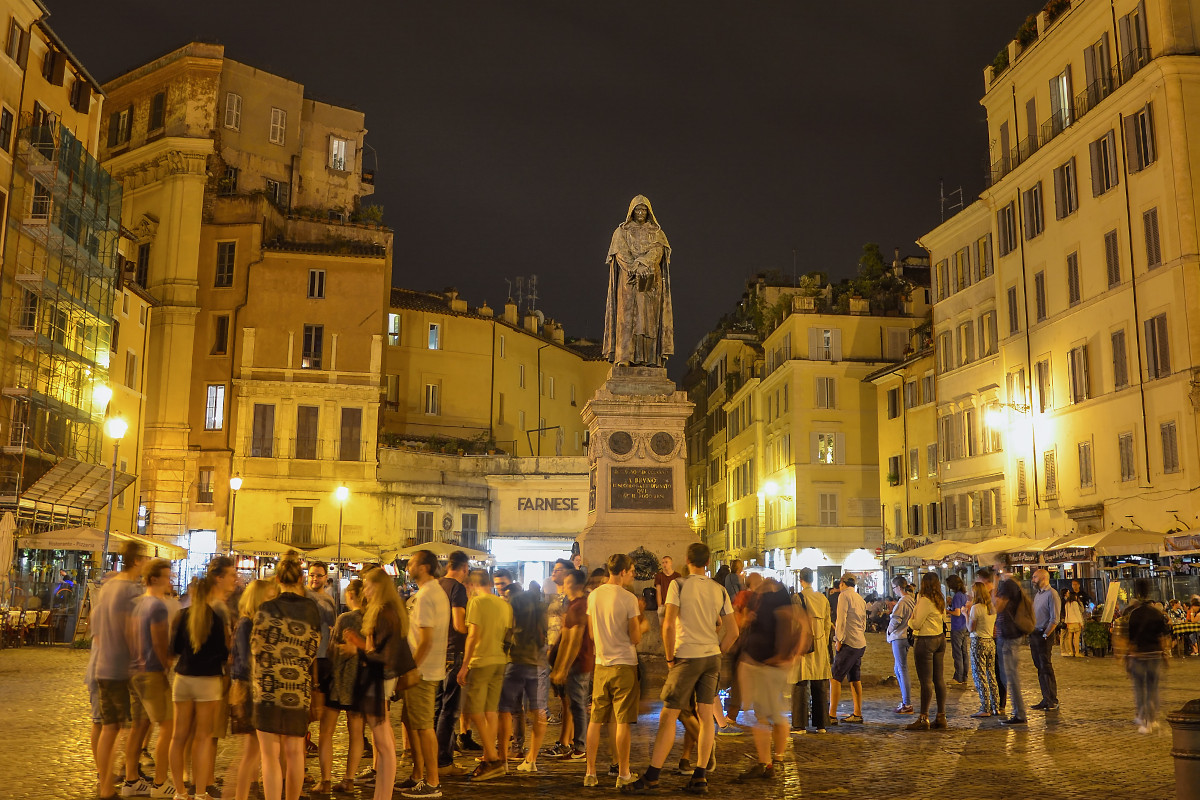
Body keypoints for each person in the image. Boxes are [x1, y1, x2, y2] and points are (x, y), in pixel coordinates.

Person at [622, 543, 735, 794]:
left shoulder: (679, 585)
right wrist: (719, 650)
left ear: (687, 560)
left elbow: (669, 624)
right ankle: (700, 776)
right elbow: (733, 630)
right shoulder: (719, 589)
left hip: (687, 656)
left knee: (668, 715)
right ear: (708, 562)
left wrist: (670, 657)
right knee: (706, 717)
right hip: (711, 657)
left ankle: (652, 776)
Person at [341, 566, 413, 800]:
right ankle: (382, 794)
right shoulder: (387, 611)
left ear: (379, 587)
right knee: (384, 738)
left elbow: (383, 655)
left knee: (383, 741)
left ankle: (384, 794)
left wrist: (358, 645)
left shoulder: (384, 612)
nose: (365, 590)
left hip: (379, 679)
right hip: (380, 679)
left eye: (369, 586)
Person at [251, 558, 320, 800]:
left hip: (268, 687)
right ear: (301, 579)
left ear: (278, 580)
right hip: (298, 687)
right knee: (294, 753)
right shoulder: (311, 609)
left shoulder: (266, 609)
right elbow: (314, 648)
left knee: (269, 755)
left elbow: (256, 648)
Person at [171, 556, 236, 800]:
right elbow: (223, 652)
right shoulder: (216, 617)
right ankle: (199, 792)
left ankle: (179, 791)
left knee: (179, 737)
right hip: (208, 681)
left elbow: (175, 648)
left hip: (183, 678)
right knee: (202, 737)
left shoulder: (183, 615)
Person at [92, 541, 148, 800]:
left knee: (109, 727)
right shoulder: (131, 589)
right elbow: (131, 627)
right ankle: (113, 785)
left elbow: (98, 626)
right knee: (120, 728)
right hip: (120, 667)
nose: (147, 562)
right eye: (144, 558)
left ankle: (105, 784)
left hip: (103, 663)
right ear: (136, 561)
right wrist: (138, 658)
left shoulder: (109, 586)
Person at [735, 576, 805, 783]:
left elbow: (803, 624)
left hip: (767, 663)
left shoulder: (768, 600)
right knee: (773, 712)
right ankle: (776, 759)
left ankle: (766, 763)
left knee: (764, 716)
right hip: (772, 663)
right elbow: (803, 624)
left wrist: (793, 654)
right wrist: (795, 654)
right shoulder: (781, 598)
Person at [584, 554, 643, 789]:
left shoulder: (594, 596)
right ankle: (624, 773)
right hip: (625, 664)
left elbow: (590, 634)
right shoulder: (629, 599)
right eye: (632, 571)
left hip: (601, 663)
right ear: (623, 572)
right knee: (622, 722)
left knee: (596, 720)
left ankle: (590, 773)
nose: (633, 575)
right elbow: (635, 637)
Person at [399, 550, 450, 798]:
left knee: (423, 726)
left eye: (412, 563)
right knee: (412, 723)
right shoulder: (429, 592)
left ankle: (432, 781)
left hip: (422, 672)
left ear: (425, 566)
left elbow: (426, 639)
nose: (408, 566)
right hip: (424, 669)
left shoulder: (429, 594)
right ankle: (418, 774)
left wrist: (411, 668)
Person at [603, 195, 674, 366]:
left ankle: (649, 358)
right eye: (638, 209)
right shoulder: (621, 232)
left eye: (644, 210)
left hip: (650, 283)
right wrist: (634, 267)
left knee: (647, 320)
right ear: (632, 211)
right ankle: (624, 357)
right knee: (626, 319)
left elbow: (658, 251)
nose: (641, 213)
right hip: (628, 282)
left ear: (649, 212)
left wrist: (643, 264)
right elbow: (619, 251)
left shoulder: (657, 233)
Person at [457, 569, 513, 782]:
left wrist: (464, 665)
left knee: (474, 710)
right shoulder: (504, 605)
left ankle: (492, 758)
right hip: (499, 660)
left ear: (471, 585)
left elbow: (473, 636)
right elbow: (507, 633)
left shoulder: (477, 603)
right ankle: (495, 756)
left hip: (481, 660)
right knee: (490, 710)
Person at [129, 558, 175, 799]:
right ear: (155, 579)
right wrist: (166, 662)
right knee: (168, 726)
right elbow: (159, 640)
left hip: (135, 670)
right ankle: (159, 782)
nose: (171, 580)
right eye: (168, 576)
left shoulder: (138, 603)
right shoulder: (156, 606)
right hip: (152, 671)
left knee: (139, 727)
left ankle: (130, 779)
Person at [231, 579, 279, 800]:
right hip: (250, 687)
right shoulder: (247, 623)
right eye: (270, 597)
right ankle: (238, 795)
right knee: (252, 750)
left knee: (255, 750)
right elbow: (246, 659)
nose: (273, 601)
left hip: (255, 686)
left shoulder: (256, 622)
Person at [499, 574, 550, 772]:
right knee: (539, 711)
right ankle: (531, 759)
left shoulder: (514, 613)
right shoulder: (540, 614)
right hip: (537, 664)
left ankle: (502, 758)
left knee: (505, 710)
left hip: (515, 663)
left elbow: (507, 633)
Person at [324, 579, 366, 793]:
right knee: (356, 733)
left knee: (326, 732)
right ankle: (349, 780)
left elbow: (331, 650)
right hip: (360, 684)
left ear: (349, 595)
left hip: (339, 682)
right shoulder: (371, 620)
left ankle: (325, 781)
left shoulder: (345, 619)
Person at [550, 568, 593, 760]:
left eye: (567, 582)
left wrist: (563, 668)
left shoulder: (579, 606)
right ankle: (577, 745)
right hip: (574, 663)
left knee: (577, 704)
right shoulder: (573, 605)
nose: (564, 586)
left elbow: (574, 641)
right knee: (575, 703)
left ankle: (581, 747)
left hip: (579, 662)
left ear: (575, 585)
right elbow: (565, 638)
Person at [435, 551, 470, 775]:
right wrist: (476, 629)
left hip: (436, 651)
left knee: (437, 708)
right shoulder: (457, 589)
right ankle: (443, 762)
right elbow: (459, 624)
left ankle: (433, 759)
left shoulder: (437, 585)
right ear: (464, 568)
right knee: (449, 710)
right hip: (453, 652)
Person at [1121, 580, 1172, 733]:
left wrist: (1126, 657)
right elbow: (1163, 636)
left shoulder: (1133, 614)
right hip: (1155, 654)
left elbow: (1129, 639)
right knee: (1153, 688)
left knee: (1139, 688)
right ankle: (1153, 718)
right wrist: (1165, 655)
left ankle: (1143, 719)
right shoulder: (1157, 613)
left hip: (1138, 655)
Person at [789, 567, 831, 734]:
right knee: (819, 682)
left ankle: (800, 724)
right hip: (820, 643)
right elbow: (828, 623)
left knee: (800, 683)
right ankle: (821, 724)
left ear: (801, 580)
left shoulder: (797, 598)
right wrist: (822, 640)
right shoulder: (822, 598)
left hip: (803, 645)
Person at [905, 572, 948, 730]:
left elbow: (916, 624)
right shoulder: (939, 599)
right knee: (939, 679)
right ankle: (941, 716)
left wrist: (910, 618)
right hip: (940, 639)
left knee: (926, 681)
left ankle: (923, 718)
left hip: (926, 640)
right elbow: (943, 618)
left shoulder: (924, 600)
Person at [305, 563, 338, 759]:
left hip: (323, 657)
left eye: (318, 575)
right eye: (311, 575)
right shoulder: (304, 597)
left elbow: (332, 629)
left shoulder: (328, 600)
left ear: (326, 578)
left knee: (318, 708)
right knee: (307, 709)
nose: (314, 579)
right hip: (309, 658)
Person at [993, 560, 1030, 725]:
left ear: (1001, 565)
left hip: (1009, 636)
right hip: (1007, 635)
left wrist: (994, 584)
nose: (993, 567)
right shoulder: (1012, 583)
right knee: (1007, 675)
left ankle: (1019, 714)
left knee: (1010, 677)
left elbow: (997, 606)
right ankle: (1018, 712)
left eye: (995, 564)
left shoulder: (1008, 584)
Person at [828, 575, 867, 724]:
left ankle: (831, 715)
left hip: (848, 642)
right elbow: (864, 622)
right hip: (860, 642)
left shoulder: (844, 596)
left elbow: (841, 619)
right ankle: (857, 713)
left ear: (842, 583)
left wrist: (839, 640)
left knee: (835, 677)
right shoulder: (859, 598)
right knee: (855, 678)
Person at [1028, 568, 1060, 712]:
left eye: (1035, 577)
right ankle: (1046, 698)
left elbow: (1055, 619)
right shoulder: (1038, 595)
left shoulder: (1052, 594)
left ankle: (1052, 700)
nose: (1032, 580)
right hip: (1035, 633)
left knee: (1045, 666)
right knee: (1039, 667)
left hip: (1044, 634)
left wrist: (1046, 635)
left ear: (1043, 578)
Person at [967, 582, 1000, 718]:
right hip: (990, 642)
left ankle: (985, 707)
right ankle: (996, 706)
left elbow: (971, 628)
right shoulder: (991, 608)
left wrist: (965, 614)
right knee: (991, 674)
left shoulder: (976, 608)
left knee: (979, 675)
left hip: (978, 641)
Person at [885, 576, 915, 715]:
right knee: (898, 668)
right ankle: (905, 700)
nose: (894, 590)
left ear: (898, 587)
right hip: (906, 636)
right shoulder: (911, 600)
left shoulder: (902, 602)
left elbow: (896, 620)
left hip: (899, 636)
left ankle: (907, 702)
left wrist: (889, 630)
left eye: (893, 587)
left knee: (902, 669)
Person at [946, 575, 970, 685]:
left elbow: (957, 612)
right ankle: (964, 676)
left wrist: (947, 611)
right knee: (964, 652)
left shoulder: (957, 596)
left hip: (957, 627)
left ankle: (958, 677)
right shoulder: (964, 595)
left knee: (957, 653)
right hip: (964, 626)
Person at [1061, 588, 1085, 658]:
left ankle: (1071, 652)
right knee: (1076, 638)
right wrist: (1081, 622)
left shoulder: (1067, 604)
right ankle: (1077, 652)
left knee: (1069, 637)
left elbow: (1067, 614)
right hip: (1076, 622)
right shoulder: (1075, 603)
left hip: (1069, 622)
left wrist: (1066, 622)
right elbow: (1077, 613)